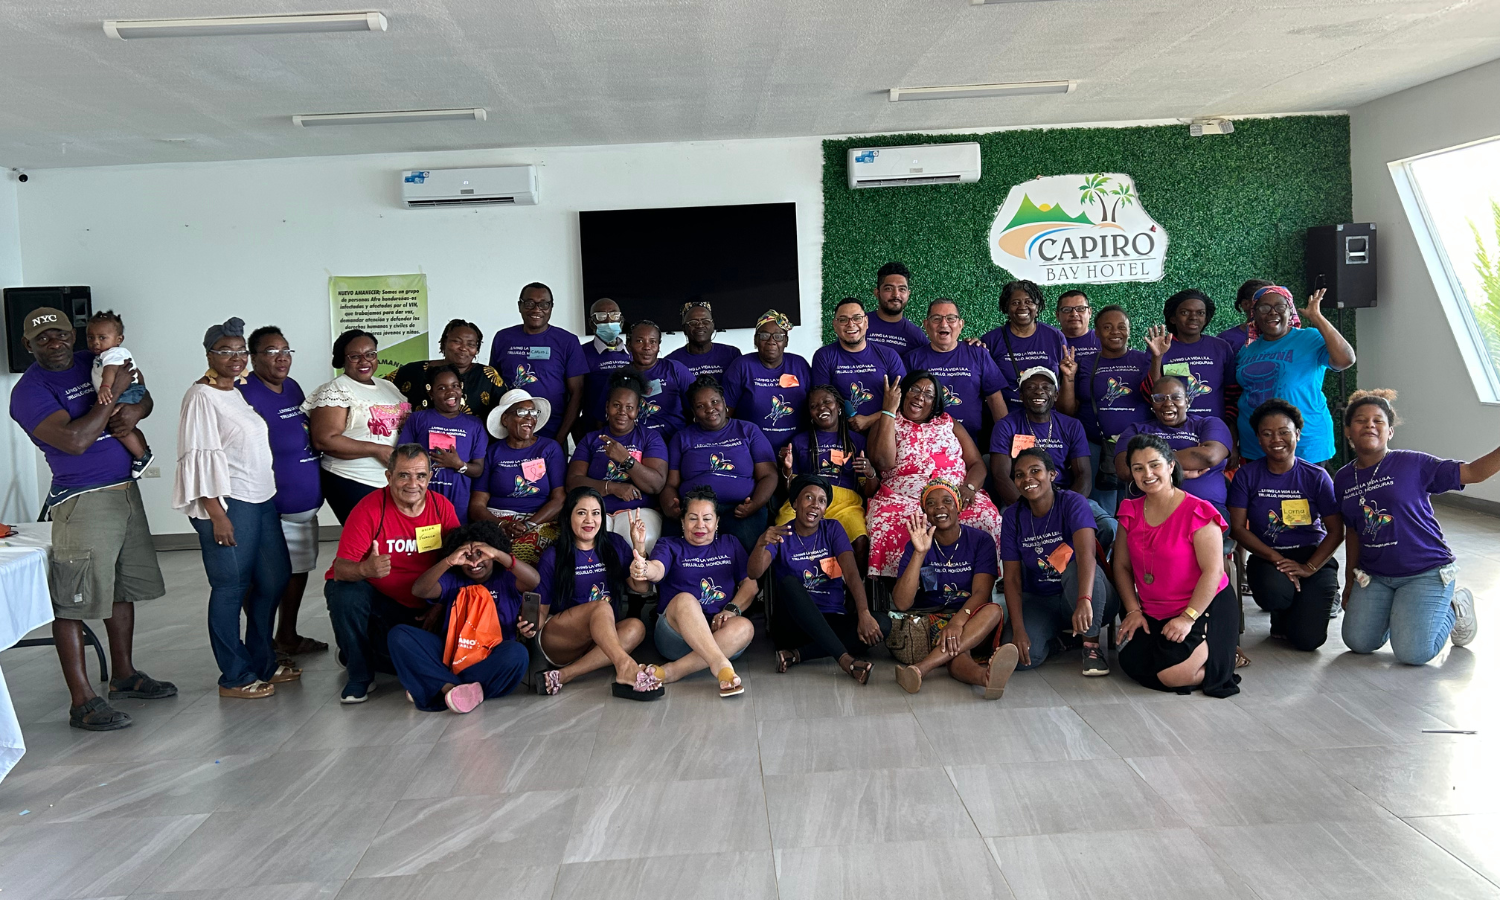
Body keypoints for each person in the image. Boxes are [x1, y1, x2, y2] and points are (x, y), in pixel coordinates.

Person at [9, 307, 176, 731]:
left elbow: (144, 395)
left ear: (74, 335)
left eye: (62, 334)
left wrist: (133, 409)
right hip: (81, 499)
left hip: (124, 490)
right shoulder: (29, 391)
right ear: (28, 345)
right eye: (43, 339)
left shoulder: (96, 358)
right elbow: (76, 440)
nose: (55, 342)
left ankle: (124, 675)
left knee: (121, 588)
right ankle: (82, 701)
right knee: (74, 598)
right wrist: (112, 394)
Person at [174, 317, 297, 699]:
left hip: (261, 499)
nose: (235, 357)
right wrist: (216, 513)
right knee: (230, 587)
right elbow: (197, 458)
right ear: (209, 354)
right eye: (225, 351)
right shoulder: (201, 396)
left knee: (275, 578)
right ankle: (235, 674)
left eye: (240, 351)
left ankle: (261, 658)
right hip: (230, 504)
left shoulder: (235, 390)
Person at [1336, 390, 1499, 665]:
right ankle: (1403, 610)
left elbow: (1472, 472)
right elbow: (1353, 531)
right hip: (1376, 575)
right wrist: (1350, 580)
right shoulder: (1342, 478)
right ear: (1348, 431)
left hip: (1424, 571)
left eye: (1378, 420)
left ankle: (1453, 606)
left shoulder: (1413, 463)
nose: (1369, 425)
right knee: (1359, 643)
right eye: (1361, 420)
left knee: (1414, 653)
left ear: (1390, 432)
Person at [324, 444, 460, 703]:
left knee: (432, 657)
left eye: (420, 476)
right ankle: (359, 675)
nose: (413, 484)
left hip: (424, 605)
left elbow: (456, 564)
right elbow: (340, 570)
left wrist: (441, 605)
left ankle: (361, 652)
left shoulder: (442, 507)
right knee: (344, 593)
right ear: (389, 477)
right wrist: (366, 569)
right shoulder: (368, 509)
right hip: (382, 602)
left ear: (429, 478)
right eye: (403, 475)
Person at [1113, 434, 1240, 697]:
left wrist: (1186, 618)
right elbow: (1121, 566)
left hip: (1202, 605)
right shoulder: (1130, 510)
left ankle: (1222, 657)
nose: (1147, 474)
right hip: (1154, 609)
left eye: (1154, 464)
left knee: (1174, 676)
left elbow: (1214, 573)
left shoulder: (1199, 512)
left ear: (1171, 465)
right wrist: (1133, 610)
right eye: (1138, 468)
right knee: (1131, 663)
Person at [239, 325, 327, 658]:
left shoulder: (292, 388)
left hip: (303, 507)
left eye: (286, 350)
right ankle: (262, 642)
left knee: (297, 571)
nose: (282, 358)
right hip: (268, 507)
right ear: (253, 357)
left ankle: (287, 635)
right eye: (272, 351)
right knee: (265, 578)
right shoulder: (243, 391)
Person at [1228, 400, 1342, 651]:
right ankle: (1281, 612)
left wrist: (1309, 567)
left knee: (1308, 641)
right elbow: (1237, 528)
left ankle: (1316, 597)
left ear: (1297, 435)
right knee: (1275, 593)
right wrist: (1278, 560)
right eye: (1267, 434)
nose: (1276, 439)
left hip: (1313, 554)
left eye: (1283, 432)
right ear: (1258, 438)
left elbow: (1336, 531)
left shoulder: (1316, 476)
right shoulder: (1247, 476)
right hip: (1268, 555)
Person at [866, 371, 1004, 577]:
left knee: (987, 517)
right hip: (902, 499)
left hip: (955, 495)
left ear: (935, 401)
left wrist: (970, 487)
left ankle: (983, 582)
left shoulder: (948, 423)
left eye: (928, 394)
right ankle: (902, 590)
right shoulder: (888, 421)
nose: (920, 396)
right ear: (903, 394)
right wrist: (889, 411)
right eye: (914, 389)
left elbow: (977, 464)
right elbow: (883, 463)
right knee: (885, 524)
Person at [751, 475, 886, 684]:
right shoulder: (781, 533)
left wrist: (864, 613)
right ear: (795, 503)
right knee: (789, 584)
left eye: (822, 501)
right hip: (793, 626)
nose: (815, 505)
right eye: (808, 498)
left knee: (883, 624)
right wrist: (760, 544)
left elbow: (851, 573)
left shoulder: (832, 529)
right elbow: (755, 573)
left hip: (831, 619)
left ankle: (797, 655)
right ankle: (845, 659)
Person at [395, 521, 537, 713]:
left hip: (490, 655)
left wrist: (497, 554)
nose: (474, 562)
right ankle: (453, 690)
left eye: (481, 554)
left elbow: (534, 580)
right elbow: (419, 590)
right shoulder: (454, 578)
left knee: (518, 654)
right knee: (399, 635)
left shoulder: (505, 577)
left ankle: (433, 683)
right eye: (466, 556)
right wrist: (449, 561)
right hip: (451, 652)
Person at [891, 477, 1014, 697]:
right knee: (958, 653)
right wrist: (920, 553)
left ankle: (921, 669)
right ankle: (986, 678)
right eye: (931, 503)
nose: (939, 507)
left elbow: (982, 593)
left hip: (969, 619)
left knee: (994, 610)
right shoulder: (917, 543)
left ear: (958, 506)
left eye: (947, 501)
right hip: (931, 622)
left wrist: (956, 623)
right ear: (925, 512)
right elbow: (901, 603)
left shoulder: (981, 541)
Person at [629, 486, 755, 697]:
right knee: (685, 600)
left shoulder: (730, 544)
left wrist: (731, 610)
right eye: (692, 518)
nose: (700, 526)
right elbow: (657, 570)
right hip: (675, 636)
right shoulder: (669, 545)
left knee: (745, 627)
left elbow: (750, 585)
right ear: (682, 522)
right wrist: (643, 564)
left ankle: (671, 671)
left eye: (707, 519)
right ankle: (719, 664)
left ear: (717, 522)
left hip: (720, 633)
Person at [1001, 449, 1116, 676]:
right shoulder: (1012, 516)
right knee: (1020, 657)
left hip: (1090, 595)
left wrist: (1084, 600)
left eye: (1035, 471)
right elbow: (1012, 577)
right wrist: (1019, 629)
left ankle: (1091, 648)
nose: (1027, 479)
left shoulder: (1073, 502)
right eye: (1019, 475)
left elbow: (1086, 556)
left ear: (1052, 475)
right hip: (1042, 599)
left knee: (1073, 568)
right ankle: (1063, 642)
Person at [533, 488, 655, 698]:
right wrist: (529, 626)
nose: (589, 520)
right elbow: (541, 612)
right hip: (561, 639)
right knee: (601, 606)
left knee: (636, 627)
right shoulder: (554, 555)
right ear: (568, 516)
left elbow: (641, 588)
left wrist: (639, 546)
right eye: (581, 513)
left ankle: (564, 675)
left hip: (600, 639)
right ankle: (625, 665)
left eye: (596, 513)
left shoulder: (615, 544)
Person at [1235, 286, 1356, 464]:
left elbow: (1345, 359)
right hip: (1255, 444)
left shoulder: (1309, 339)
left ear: (1290, 310)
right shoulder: (1247, 350)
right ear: (1254, 313)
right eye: (1264, 307)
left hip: (1304, 443)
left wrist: (1316, 317)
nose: (1272, 312)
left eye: (1280, 306)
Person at [305, 329, 411, 523]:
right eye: (355, 356)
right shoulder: (336, 389)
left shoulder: (388, 387)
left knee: (390, 544)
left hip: (390, 481)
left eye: (370, 354)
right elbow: (324, 440)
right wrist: (377, 450)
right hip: (352, 480)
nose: (364, 361)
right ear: (342, 359)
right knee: (368, 545)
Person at [662, 376, 777, 552]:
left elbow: (769, 475)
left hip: (739, 510)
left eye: (715, 401)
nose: (710, 409)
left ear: (724, 402)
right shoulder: (681, 438)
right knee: (676, 551)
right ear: (693, 411)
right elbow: (670, 484)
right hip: (694, 512)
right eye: (701, 406)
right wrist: (671, 507)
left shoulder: (748, 430)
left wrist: (755, 504)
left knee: (747, 552)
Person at [1057, 305, 1151, 515]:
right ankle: (1108, 548)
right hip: (1096, 448)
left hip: (1138, 446)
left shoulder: (1143, 359)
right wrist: (1069, 379)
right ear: (1096, 333)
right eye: (1107, 327)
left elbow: (1155, 395)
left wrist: (1157, 359)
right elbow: (1068, 410)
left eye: (1121, 326)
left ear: (1129, 330)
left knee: (1139, 509)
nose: (1115, 332)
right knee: (1103, 511)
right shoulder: (1086, 363)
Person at [775, 384, 877, 569]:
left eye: (827, 402)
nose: (821, 408)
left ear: (839, 407)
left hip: (845, 504)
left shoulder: (857, 441)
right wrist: (787, 469)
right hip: (806, 500)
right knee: (783, 531)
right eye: (814, 406)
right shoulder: (799, 441)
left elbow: (869, 491)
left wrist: (870, 473)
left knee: (861, 540)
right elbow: (790, 490)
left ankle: (851, 594)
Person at [567, 369, 669, 553]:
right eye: (616, 405)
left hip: (638, 510)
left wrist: (626, 460)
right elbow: (573, 483)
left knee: (639, 543)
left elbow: (656, 485)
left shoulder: (650, 438)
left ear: (638, 410)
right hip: (596, 511)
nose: (622, 412)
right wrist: (612, 487)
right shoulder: (591, 439)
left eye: (629, 407)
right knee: (589, 548)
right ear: (607, 407)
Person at [469, 389, 566, 565]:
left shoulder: (549, 448)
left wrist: (528, 525)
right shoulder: (492, 452)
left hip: (539, 521)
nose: (530, 417)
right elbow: (476, 505)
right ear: (505, 419)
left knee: (534, 551)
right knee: (480, 553)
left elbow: (559, 499)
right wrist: (502, 525)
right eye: (522, 412)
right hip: (497, 521)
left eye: (533, 412)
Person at [1115, 376, 1233, 517]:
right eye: (1159, 398)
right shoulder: (1136, 430)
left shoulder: (1209, 424)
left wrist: (1147, 463)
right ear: (1152, 404)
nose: (1168, 403)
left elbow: (1208, 457)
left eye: (1176, 397)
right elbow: (1124, 470)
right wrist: (1177, 472)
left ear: (1187, 401)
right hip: (1150, 510)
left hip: (1204, 510)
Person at [902, 298, 1009, 443]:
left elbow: (995, 399)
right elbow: (901, 404)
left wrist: (1006, 439)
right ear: (926, 325)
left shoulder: (978, 353)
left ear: (961, 324)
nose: (944, 324)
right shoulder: (912, 359)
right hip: (924, 444)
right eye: (936, 318)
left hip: (972, 444)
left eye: (951, 318)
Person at [488, 282, 586, 441]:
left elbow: (577, 394)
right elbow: (493, 386)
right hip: (509, 434)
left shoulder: (568, 341)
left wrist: (560, 437)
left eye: (544, 304)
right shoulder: (503, 338)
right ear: (520, 306)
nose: (536, 309)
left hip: (551, 434)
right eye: (529, 303)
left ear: (551, 307)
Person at [397, 367, 488, 525]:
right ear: (431, 394)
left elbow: (478, 470)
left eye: (455, 386)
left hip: (458, 502)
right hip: (422, 497)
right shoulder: (418, 419)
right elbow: (402, 458)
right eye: (442, 388)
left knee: (453, 543)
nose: (450, 392)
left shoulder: (475, 425)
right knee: (423, 542)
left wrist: (458, 465)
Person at [811, 297, 908, 432]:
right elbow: (821, 402)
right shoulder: (824, 356)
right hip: (842, 433)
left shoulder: (889, 355)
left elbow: (906, 400)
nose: (851, 324)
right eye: (843, 320)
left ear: (866, 322)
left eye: (857, 318)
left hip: (885, 431)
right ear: (835, 325)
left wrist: (870, 420)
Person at [722, 310, 811, 451]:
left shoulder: (799, 365)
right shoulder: (742, 366)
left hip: (796, 450)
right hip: (751, 450)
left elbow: (814, 406)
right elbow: (726, 412)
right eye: (764, 335)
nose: (771, 341)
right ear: (756, 340)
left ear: (786, 341)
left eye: (778, 336)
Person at [387, 318, 506, 420]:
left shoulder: (487, 376)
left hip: (472, 444)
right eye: (457, 342)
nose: (463, 348)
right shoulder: (413, 371)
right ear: (444, 342)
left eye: (471, 344)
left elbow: (506, 409)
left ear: (477, 350)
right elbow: (379, 388)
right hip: (419, 443)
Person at [1145, 290, 1236, 421]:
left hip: (1213, 426)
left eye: (1200, 313)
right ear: (1173, 318)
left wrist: (1230, 430)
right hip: (1174, 427)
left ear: (1206, 319)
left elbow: (1233, 394)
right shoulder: (1161, 347)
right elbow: (1152, 393)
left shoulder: (1220, 347)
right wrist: (1158, 357)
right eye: (1185, 312)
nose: (1193, 317)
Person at [85, 310, 153, 477]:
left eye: (102, 338)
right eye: (90, 337)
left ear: (119, 340)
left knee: (112, 421)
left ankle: (141, 456)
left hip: (128, 390)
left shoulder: (114, 353)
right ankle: (143, 449)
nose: (95, 342)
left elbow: (111, 371)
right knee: (120, 422)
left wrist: (105, 387)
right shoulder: (102, 355)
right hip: (126, 390)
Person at [981, 280, 1068, 408]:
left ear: (1037, 307)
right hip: (1007, 419)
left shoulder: (1055, 336)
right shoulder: (991, 340)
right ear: (1006, 307)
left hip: (1046, 419)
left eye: (1029, 302)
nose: (1022, 307)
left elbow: (1064, 382)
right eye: (1015, 303)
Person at [626, 319, 695, 436]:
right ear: (629, 345)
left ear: (658, 346)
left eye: (653, 342)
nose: (647, 347)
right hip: (636, 443)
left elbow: (696, 406)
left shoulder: (675, 369)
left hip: (675, 438)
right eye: (639, 341)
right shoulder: (620, 376)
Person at [579, 297, 632, 431]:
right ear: (592, 323)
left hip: (628, 429)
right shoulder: (580, 353)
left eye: (614, 315)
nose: (609, 321)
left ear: (621, 321)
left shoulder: (632, 353)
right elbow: (574, 398)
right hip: (593, 429)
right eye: (601, 316)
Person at [667, 301, 741, 381]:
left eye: (705, 321)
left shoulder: (732, 355)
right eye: (693, 322)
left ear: (713, 326)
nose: (700, 325)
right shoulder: (671, 362)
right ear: (684, 328)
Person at [864, 261, 928, 355]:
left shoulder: (916, 336)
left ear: (908, 294)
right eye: (889, 288)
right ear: (877, 293)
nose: (896, 295)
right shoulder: (858, 324)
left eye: (902, 289)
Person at [1216, 279, 1275, 356]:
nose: (1273, 311)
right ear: (1246, 304)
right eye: (1265, 304)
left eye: (1278, 304)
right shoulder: (1226, 340)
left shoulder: (1286, 338)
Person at [1056, 290, 1101, 375]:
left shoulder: (1103, 340)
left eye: (1080, 309)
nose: (1074, 314)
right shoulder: (1050, 342)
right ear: (1057, 315)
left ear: (1090, 312)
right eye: (1067, 310)